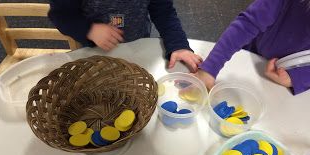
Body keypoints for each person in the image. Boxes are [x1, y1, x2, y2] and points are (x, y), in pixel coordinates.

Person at [48, 0, 202, 72]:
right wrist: (89, 30)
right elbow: (61, 16)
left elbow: (164, 12)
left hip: (139, 45)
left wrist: (178, 45)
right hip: (96, 52)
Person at [196, 0, 310, 95]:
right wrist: (210, 69)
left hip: (290, 82)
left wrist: (300, 78)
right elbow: (248, 24)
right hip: (251, 56)